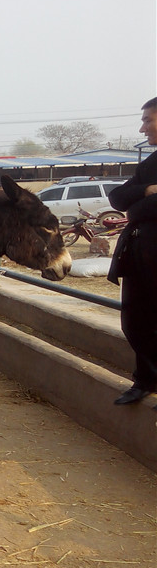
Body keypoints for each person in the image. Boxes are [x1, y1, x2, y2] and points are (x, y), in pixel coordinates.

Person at [107, 97, 157, 405]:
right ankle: (145, 380)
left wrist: (138, 206)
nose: (142, 128)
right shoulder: (151, 164)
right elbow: (117, 197)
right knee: (135, 321)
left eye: (148, 120)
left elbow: (135, 209)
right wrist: (146, 191)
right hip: (140, 257)